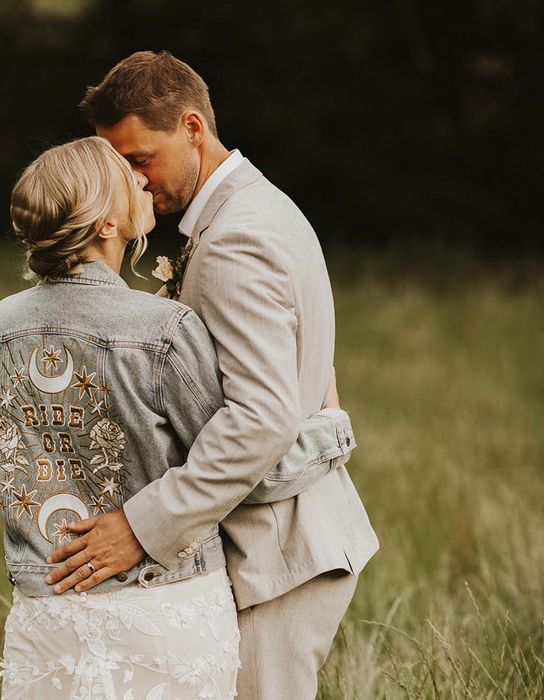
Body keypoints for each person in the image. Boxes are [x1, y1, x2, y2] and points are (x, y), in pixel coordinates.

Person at [0, 136, 360, 699]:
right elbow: (250, 461)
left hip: (46, 610)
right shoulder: (162, 331)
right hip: (161, 606)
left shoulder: (0, 326)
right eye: (125, 175)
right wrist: (328, 426)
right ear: (107, 225)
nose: (142, 180)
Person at [46, 51, 379, 699]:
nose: (136, 183)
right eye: (121, 167)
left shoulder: (235, 241)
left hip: (283, 553)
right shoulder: (253, 209)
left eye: (140, 160)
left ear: (192, 128)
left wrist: (142, 526)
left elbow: (261, 419)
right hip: (284, 541)